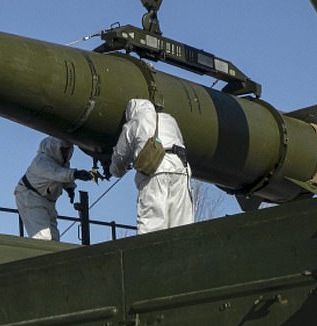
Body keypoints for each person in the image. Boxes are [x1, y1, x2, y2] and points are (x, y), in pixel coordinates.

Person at [109, 99, 194, 234]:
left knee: (152, 224)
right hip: (180, 168)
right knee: (182, 223)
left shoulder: (134, 123)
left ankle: (152, 254)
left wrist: (114, 171)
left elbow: (120, 157)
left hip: (154, 170)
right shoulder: (170, 120)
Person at [14, 136, 93, 241]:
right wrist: (76, 174)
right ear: (55, 148)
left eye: (67, 150)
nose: (65, 153)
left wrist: (70, 188)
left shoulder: (60, 163)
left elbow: (63, 173)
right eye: (63, 150)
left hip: (47, 202)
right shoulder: (42, 161)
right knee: (43, 237)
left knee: (54, 238)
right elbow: (57, 173)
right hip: (30, 197)